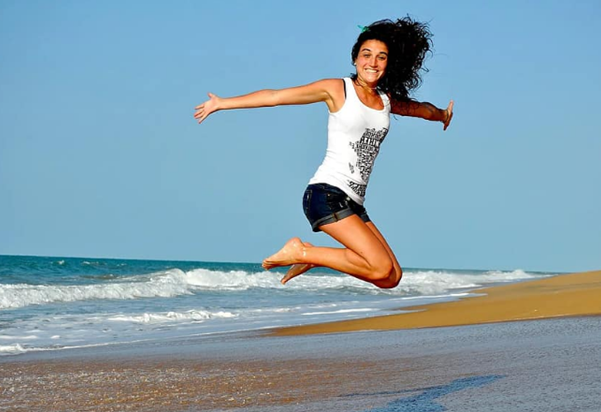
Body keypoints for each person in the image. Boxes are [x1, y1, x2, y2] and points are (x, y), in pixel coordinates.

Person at [194, 16, 454, 289]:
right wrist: (223, 103)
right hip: (326, 194)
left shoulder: (386, 101)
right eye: (366, 55)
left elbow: (422, 109)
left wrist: (442, 115)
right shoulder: (337, 89)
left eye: (381, 57)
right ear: (355, 59)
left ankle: (314, 256)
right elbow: (276, 97)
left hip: (353, 202)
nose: (372, 63)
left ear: (389, 64)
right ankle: (303, 252)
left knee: (391, 276)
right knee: (379, 267)